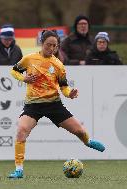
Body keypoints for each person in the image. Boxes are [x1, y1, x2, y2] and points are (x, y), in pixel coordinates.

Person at [8, 30, 105, 179]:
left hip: (54, 105)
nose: (52, 48)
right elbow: (14, 71)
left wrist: (70, 93)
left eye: (55, 46)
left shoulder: (58, 65)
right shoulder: (29, 59)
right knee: (21, 130)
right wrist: (24, 78)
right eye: (49, 45)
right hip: (33, 105)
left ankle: (88, 141)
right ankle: (19, 170)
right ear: (42, 43)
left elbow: (64, 87)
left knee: (79, 131)